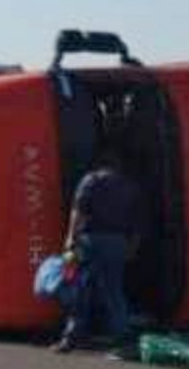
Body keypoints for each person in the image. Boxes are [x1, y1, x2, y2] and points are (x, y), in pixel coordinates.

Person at [50, 149, 142, 353]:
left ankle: (71, 338)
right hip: (117, 242)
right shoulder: (130, 187)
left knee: (80, 289)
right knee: (114, 290)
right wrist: (131, 248)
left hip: (90, 241)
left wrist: (70, 239)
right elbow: (136, 224)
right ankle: (122, 335)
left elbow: (78, 212)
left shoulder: (90, 181)